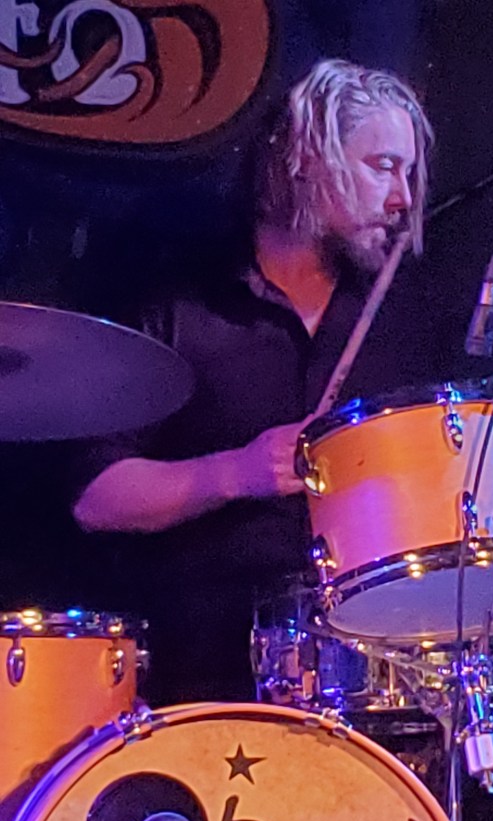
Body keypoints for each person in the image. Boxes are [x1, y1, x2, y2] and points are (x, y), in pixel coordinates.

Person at [73, 58, 434, 707]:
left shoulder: (401, 316)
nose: (403, 198)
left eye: (408, 172)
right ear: (307, 159)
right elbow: (97, 498)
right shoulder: (181, 306)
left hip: (373, 687)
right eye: (383, 166)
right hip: (202, 685)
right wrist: (237, 471)